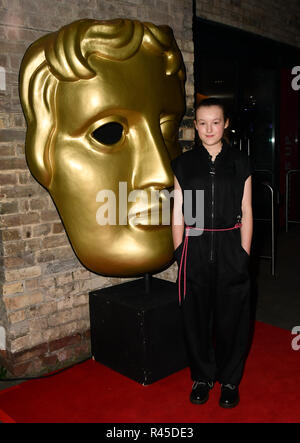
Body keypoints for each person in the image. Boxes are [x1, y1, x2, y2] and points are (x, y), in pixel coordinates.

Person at [171, 97, 253, 408]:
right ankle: (202, 377)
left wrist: (244, 254)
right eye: (202, 123)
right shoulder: (184, 164)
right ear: (195, 126)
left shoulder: (240, 162)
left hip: (231, 246)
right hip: (195, 244)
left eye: (215, 122)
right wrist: (180, 251)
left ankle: (230, 380)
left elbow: (246, 210)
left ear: (226, 123)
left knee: (233, 317)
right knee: (195, 317)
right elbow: (179, 211)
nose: (209, 129)